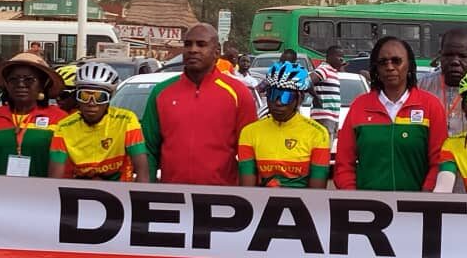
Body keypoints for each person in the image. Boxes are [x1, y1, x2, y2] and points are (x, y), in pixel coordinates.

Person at [143, 24, 257, 185]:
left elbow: (250, 153)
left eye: (201, 44)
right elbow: (148, 150)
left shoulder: (239, 93)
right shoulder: (161, 92)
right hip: (172, 198)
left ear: (217, 52)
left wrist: (248, 198)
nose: (193, 50)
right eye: (188, 44)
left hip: (223, 199)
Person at [335, 36, 446, 191]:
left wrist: (424, 199)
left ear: (409, 65)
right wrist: (354, 197)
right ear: (376, 68)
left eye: (396, 61)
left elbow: (439, 161)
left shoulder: (430, 105)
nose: (390, 67)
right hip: (367, 208)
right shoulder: (359, 106)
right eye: (383, 62)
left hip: (417, 208)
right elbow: (343, 163)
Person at [49, 63, 149, 182]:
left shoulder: (126, 120)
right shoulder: (63, 127)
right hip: (82, 189)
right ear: (77, 97)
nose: (92, 103)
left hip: (121, 189)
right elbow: (54, 178)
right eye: (84, 95)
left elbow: (143, 171)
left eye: (100, 97)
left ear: (110, 98)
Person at [238, 62, 330, 188]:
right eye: (273, 95)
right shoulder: (249, 132)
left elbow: (317, 192)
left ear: (300, 99)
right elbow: (247, 188)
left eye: (285, 97)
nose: (278, 103)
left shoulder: (318, 134)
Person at [0, 52, 67, 177]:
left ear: (43, 84)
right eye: (13, 79)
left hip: (42, 195)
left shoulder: (60, 119)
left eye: (29, 80)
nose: (21, 84)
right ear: (6, 84)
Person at [418, 29, 467, 136]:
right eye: (449, 55)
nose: (455, 61)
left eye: (462, 56)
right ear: (440, 56)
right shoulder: (421, 86)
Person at [310, 45, 344, 139]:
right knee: (324, 150)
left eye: (343, 57)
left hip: (332, 118)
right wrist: (316, 97)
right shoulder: (324, 69)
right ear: (330, 57)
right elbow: (308, 81)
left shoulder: (333, 72)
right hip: (323, 117)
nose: (342, 60)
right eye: (339, 56)